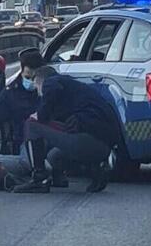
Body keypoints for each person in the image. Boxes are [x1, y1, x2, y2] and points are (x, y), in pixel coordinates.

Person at [13, 66, 115, 194]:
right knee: (54, 156)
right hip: (103, 145)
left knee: (31, 124)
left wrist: (39, 114)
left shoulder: (52, 82)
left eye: (36, 85)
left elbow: (52, 90)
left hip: (88, 139)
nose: (37, 91)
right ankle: (95, 171)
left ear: (39, 80)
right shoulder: (74, 90)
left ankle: (39, 179)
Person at [0, 48, 45, 158]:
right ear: (22, 71)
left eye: (35, 78)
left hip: (48, 137)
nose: (31, 82)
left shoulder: (49, 87)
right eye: (28, 77)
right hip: (24, 141)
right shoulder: (10, 93)